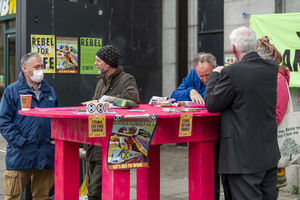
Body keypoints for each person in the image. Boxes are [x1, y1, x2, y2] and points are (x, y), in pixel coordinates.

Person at [205, 27, 280, 200]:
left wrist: (215, 76)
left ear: (233, 49)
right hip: (268, 152)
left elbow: (211, 104)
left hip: (242, 157)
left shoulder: (232, 73)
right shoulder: (271, 67)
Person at [170, 52, 232, 200]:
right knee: (209, 183)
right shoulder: (193, 74)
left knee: (229, 182)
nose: (204, 79)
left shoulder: (225, 74)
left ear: (215, 68)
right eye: (201, 76)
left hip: (224, 137)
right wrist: (190, 90)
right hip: (205, 137)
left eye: (208, 76)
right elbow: (175, 93)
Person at [0, 52, 60, 200]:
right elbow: (4, 121)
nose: (41, 70)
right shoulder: (12, 91)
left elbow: (58, 120)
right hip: (21, 153)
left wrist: (53, 140)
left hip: (45, 154)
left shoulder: (50, 91)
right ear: (25, 69)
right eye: (36, 67)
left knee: (42, 196)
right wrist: (20, 141)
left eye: (42, 66)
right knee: (13, 196)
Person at [85, 45, 140, 200]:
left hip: (113, 145)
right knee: (95, 190)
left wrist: (102, 101)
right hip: (94, 144)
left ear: (108, 63)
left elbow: (133, 99)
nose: (95, 63)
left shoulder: (126, 79)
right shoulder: (100, 82)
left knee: (95, 194)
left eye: (98, 60)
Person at [257, 36, 290, 198]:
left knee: (269, 191)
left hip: (272, 143)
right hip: (265, 143)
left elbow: (276, 116)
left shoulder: (278, 80)